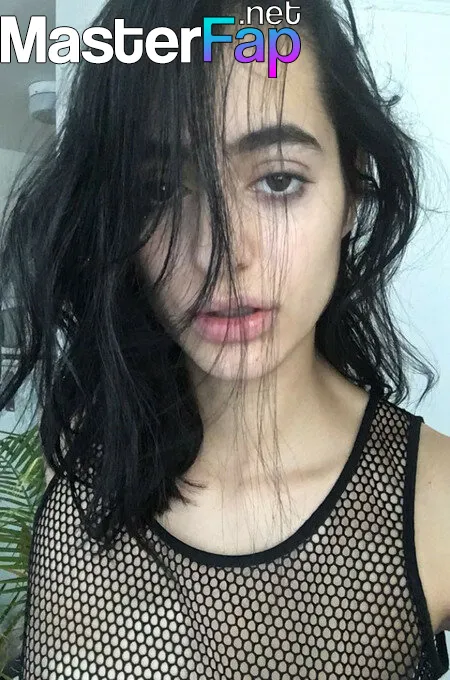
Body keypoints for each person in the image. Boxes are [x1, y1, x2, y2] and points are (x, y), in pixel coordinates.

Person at [0, 0, 448, 678]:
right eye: (158, 190)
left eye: (278, 180)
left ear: (352, 192)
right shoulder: (82, 475)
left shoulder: (437, 503)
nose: (218, 254)